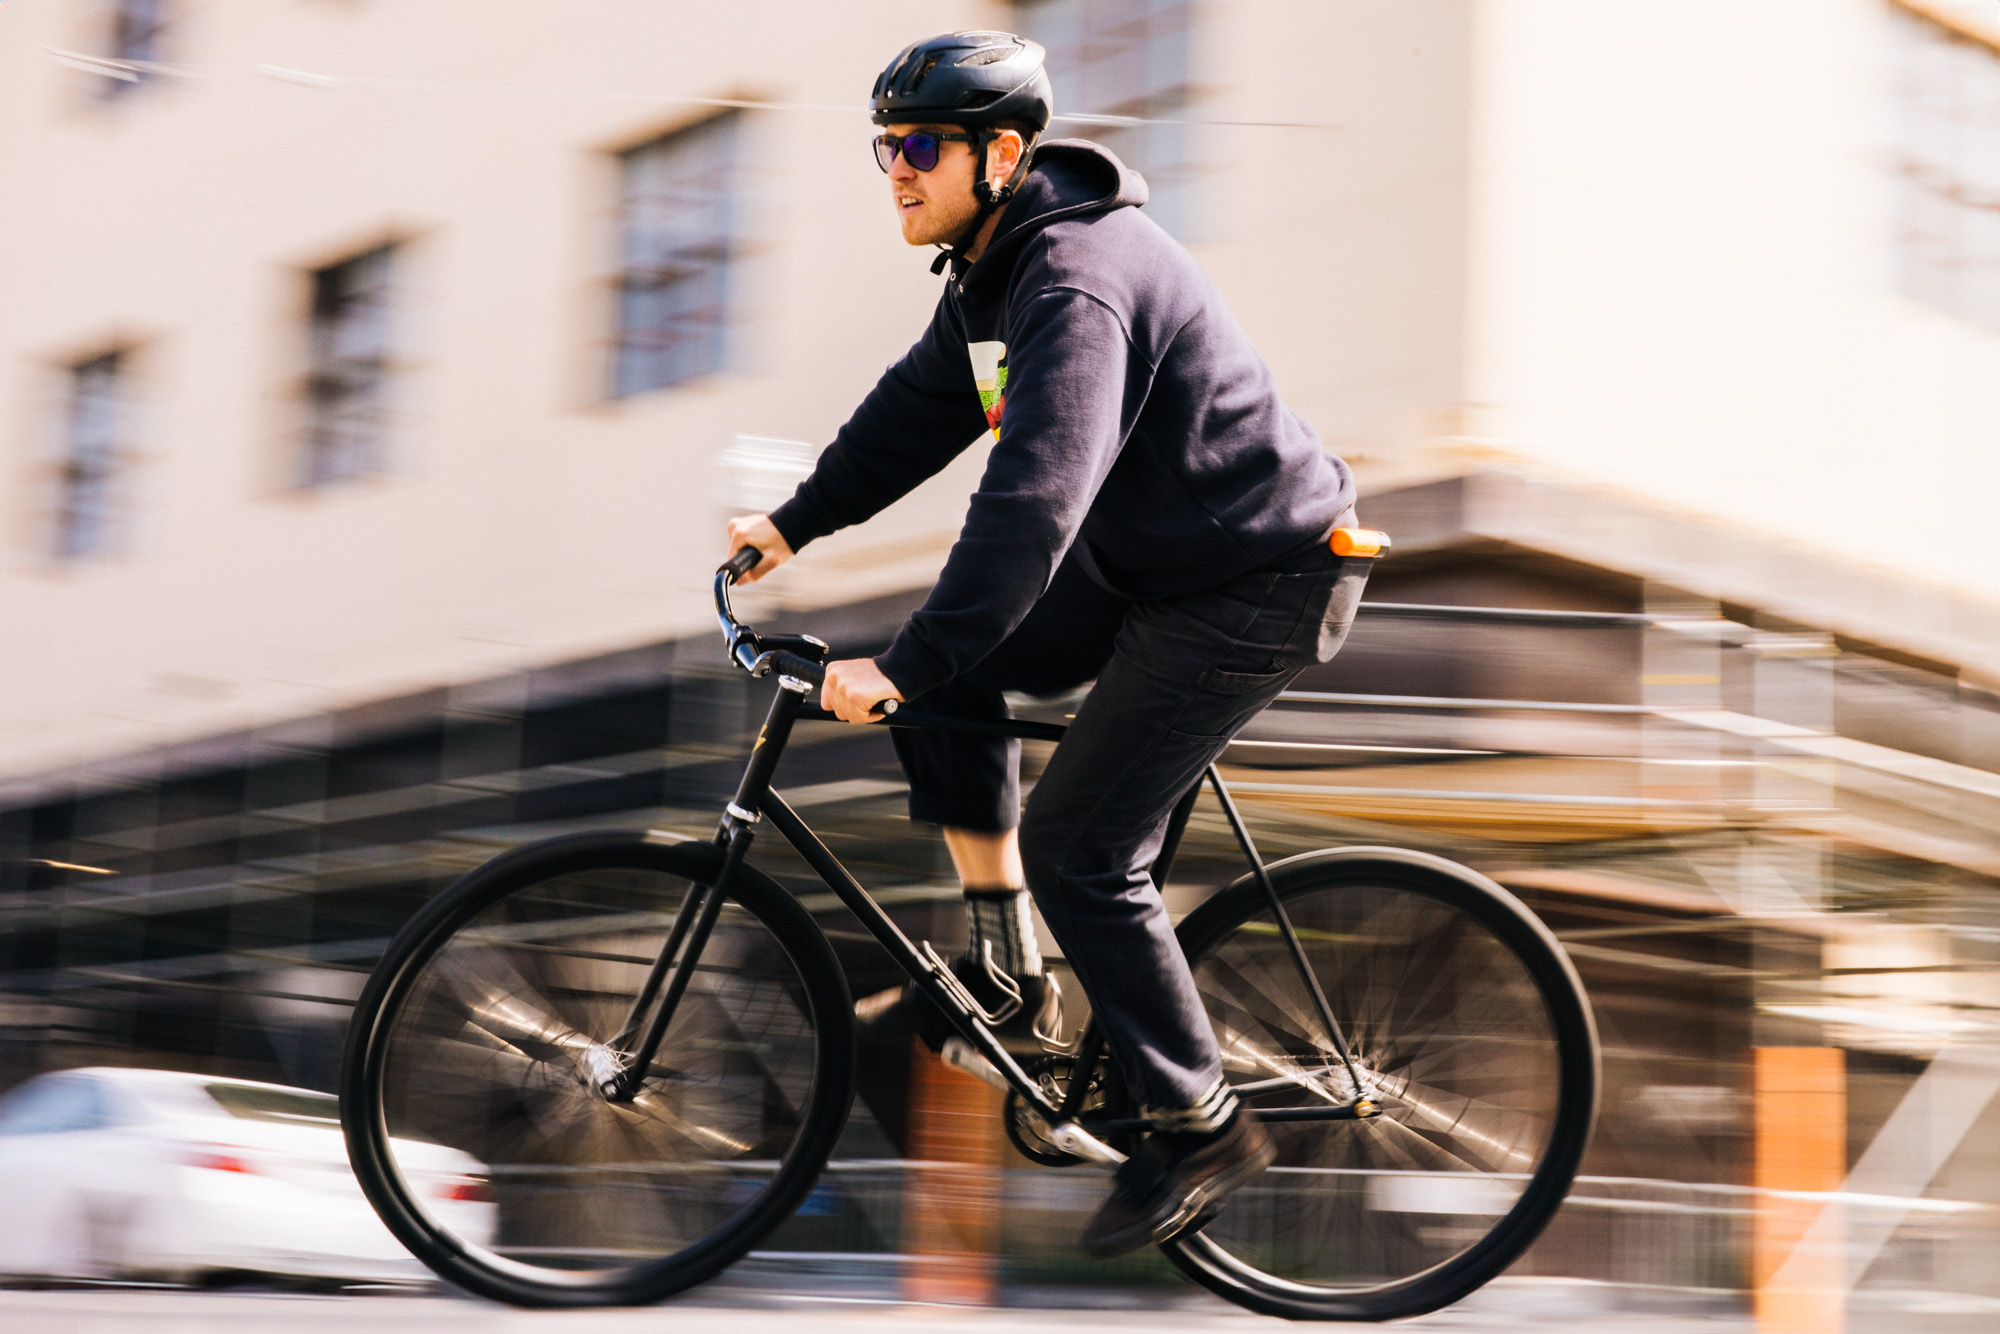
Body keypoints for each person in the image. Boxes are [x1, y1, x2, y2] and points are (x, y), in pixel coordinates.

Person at [723, 29, 1366, 1257]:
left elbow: (1033, 499)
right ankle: (1007, 967)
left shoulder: (1073, 282)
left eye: (917, 148)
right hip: (1159, 568)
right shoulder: (990, 271)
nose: (894, 172)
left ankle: (1202, 1119)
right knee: (948, 671)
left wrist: (907, 662)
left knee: (1078, 841)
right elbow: (919, 411)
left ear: (1001, 153)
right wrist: (793, 523)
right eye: (882, 149)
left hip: (1256, 576)